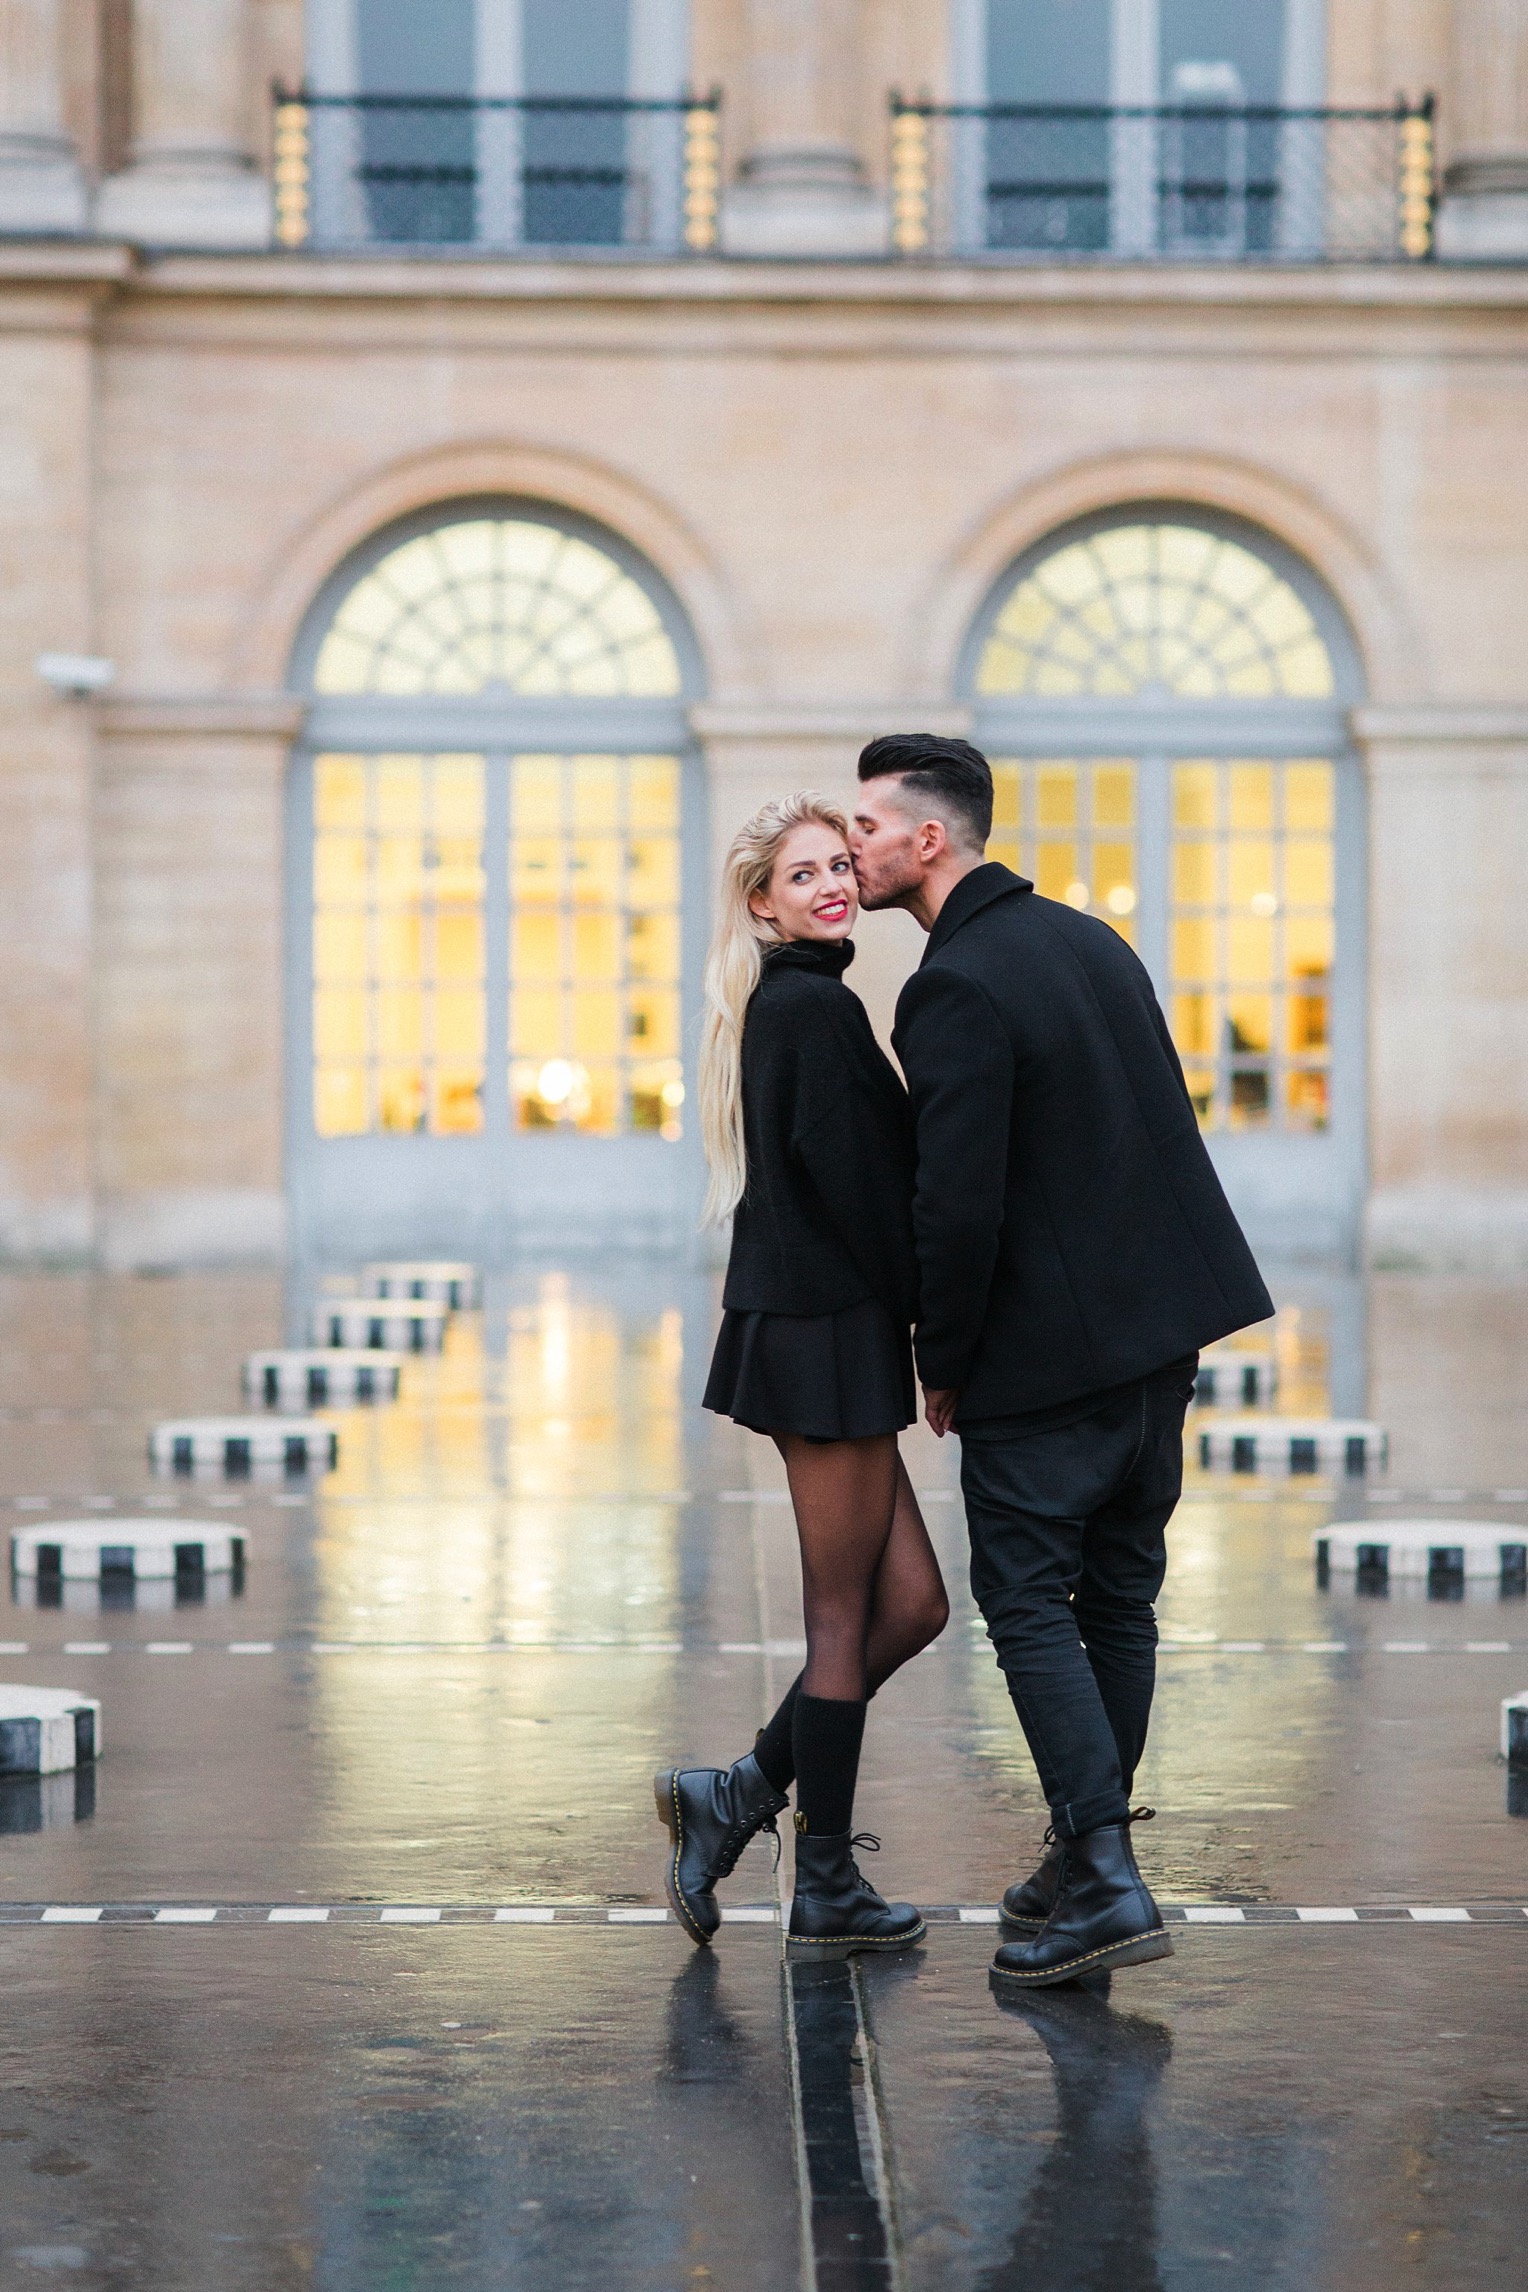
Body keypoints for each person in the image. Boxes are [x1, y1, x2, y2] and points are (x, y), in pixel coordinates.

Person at [850, 734, 1274, 1990]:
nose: (855, 844)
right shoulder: (1092, 940)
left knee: (1029, 1602)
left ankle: (1098, 1870)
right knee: (1120, 1600)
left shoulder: (955, 984)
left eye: (869, 825)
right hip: (1158, 1341)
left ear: (931, 839)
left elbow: (957, 1203)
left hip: (1051, 1360)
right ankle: (1081, 1862)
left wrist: (942, 1354)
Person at [655, 792, 949, 1956]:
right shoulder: (808, 1013)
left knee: (915, 1604)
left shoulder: (803, 1003)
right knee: (843, 1621)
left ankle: (734, 1792)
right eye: (804, 874)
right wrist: (937, 1335)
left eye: (841, 865)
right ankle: (822, 1885)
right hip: (823, 1333)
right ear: (761, 903)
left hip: (826, 1330)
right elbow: (864, 1200)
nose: (833, 885)